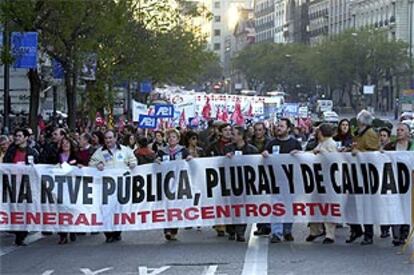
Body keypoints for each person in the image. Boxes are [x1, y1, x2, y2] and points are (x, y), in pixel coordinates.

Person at [89, 129, 137, 243]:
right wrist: (97, 164)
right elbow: (91, 163)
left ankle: (117, 232)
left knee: (118, 209)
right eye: (106, 138)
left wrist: (132, 164)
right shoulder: (99, 152)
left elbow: (133, 160)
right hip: (106, 187)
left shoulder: (125, 150)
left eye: (110, 138)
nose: (108, 140)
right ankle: (108, 233)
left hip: (121, 185)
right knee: (106, 210)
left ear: (115, 138)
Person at [262, 118, 302, 243]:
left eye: (282, 126)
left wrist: (299, 153)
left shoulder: (294, 143)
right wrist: (264, 154)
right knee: (276, 206)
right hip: (275, 180)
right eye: (278, 126)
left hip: (291, 180)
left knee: (290, 206)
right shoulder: (271, 143)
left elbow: (303, 159)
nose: (278, 128)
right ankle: (276, 232)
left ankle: (287, 230)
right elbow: (263, 157)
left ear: (288, 129)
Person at [347, 110, 379, 245]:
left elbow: (373, 153)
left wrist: (358, 152)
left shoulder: (370, 134)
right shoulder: (359, 133)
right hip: (355, 172)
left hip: (366, 174)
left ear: (361, 121)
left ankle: (368, 234)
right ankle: (355, 229)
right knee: (350, 203)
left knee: (366, 205)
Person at [3, 128, 39, 246]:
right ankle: (17, 231)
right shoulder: (11, 151)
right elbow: (5, 165)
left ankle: (21, 235)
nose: (16, 138)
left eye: (19, 136)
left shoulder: (32, 152)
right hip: (13, 186)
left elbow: (37, 168)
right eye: (16, 136)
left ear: (25, 138)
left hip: (26, 187)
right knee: (14, 210)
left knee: (25, 211)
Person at [156, 128, 192, 241]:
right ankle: (167, 229)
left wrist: (190, 158)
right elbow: (157, 162)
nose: (171, 139)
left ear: (178, 139)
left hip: (180, 182)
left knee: (176, 206)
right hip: (166, 183)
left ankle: (173, 230)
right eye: (169, 137)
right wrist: (156, 161)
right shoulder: (162, 151)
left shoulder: (183, 151)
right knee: (166, 206)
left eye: (173, 137)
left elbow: (190, 162)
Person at [224, 126, 259, 242]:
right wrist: (226, 159)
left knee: (242, 207)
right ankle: (231, 230)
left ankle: (240, 232)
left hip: (245, 183)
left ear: (241, 136)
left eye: (233, 134)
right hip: (230, 182)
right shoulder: (227, 149)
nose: (231, 136)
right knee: (230, 207)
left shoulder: (252, 150)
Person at [306, 123, 338, 244]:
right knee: (315, 205)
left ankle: (330, 233)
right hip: (318, 178)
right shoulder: (321, 143)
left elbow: (333, 160)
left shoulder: (331, 144)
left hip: (328, 180)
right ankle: (315, 230)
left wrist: (321, 151)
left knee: (327, 206)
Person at [383, 123, 412, 246]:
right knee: (394, 208)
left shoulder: (412, 146)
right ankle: (396, 235)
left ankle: (404, 234)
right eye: (398, 130)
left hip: (409, 183)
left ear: (408, 133)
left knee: (406, 208)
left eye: (402, 130)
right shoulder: (391, 146)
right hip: (393, 182)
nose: (399, 132)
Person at [206, 123, 232, 237]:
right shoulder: (213, 146)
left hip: (231, 176)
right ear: (220, 132)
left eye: (229, 130)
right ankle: (220, 225)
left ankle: (230, 225)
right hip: (217, 176)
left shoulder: (235, 145)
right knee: (219, 202)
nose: (228, 132)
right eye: (225, 130)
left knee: (230, 201)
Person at [251, 122, 272, 236]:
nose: (258, 132)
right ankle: (261, 225)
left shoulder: (270, 142)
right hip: (254, 175)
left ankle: (267, 225)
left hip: (268, 174)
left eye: (260, 130)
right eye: (256, 130)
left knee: (267, 200)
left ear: (264, 131)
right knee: (258, 201)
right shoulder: (249, 143)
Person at [57, 136, 79, 244]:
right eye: (63, 143)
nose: (65, 145)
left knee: (71, 209)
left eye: (67, 143)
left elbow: (81, 166)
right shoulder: (57, 156)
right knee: (61, 210)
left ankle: (72, 230)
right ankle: (62, 235)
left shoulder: (75, 156)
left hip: (72, 186)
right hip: (60, 187)